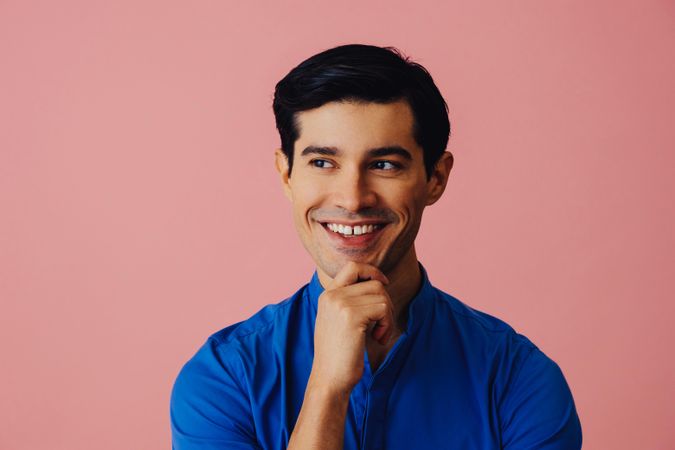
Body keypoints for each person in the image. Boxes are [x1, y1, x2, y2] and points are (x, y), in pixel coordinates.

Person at [170, 44, 582, 450]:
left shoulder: (519, 380)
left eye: (384, 164)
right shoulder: (223, 378)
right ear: (286, 175)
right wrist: (328, 388)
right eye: (322, 163)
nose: (352, 199)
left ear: (435, 178)